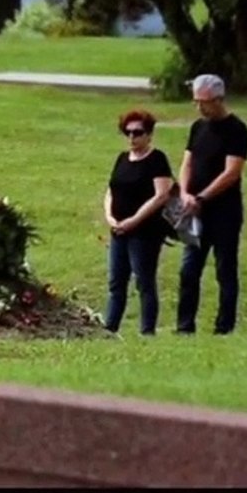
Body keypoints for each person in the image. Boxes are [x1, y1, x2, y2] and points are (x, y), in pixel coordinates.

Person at [176, 74, 247, 335]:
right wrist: (185, 192)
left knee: (225, 269)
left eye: (205, 102)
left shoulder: (236, 130)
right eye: (196, 102)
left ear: (219, 99)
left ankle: (224, 325)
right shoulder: (198, 127)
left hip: (224, 212)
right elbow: (187, 162)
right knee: (188, 270)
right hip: (193, 210)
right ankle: (185, 325)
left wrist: (203, 197)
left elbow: (231, 172)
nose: (200, 107)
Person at [102, 109, 174, 335]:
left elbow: (161, 195)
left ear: (149, 134)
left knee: (144, 281)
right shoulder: (122, 159)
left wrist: (134, 220)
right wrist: (110, 217)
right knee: (116, 283)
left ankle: (147, 330)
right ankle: (109, 328)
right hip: (119, 230)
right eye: (128, 133)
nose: (132, 138)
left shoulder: (156, 159)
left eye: (138, 133)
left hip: (145, 232)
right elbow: (111, 190)